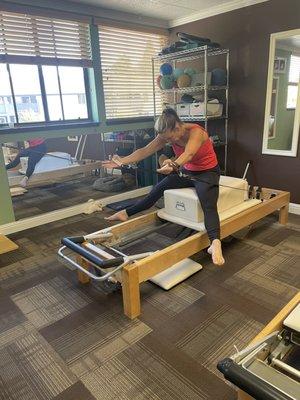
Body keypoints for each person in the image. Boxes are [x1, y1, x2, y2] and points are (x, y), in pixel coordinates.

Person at [102, 108, 224, 265]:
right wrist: (122, 161)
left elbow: (189, 154)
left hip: (208, 173)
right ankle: (126, 213)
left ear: (178, 127)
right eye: (166, 139)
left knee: (208, 204)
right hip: (188, 171)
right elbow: (145, 150)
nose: (169, 142)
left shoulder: (196, 132)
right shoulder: (166, 135)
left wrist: (173, 164)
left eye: (170, 138)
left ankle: (215, 243)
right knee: (158, 188)